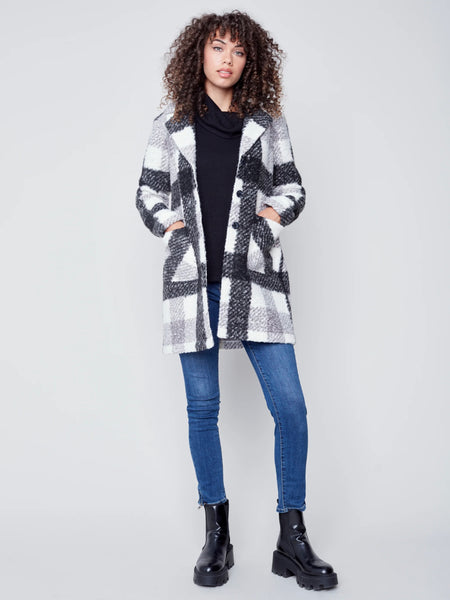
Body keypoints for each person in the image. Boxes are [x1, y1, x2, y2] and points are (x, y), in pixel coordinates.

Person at [135, 10, 338, 591]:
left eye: (239, 51)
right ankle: (216, 535)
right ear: (198, 54)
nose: (227, 59)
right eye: (217, 47)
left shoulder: (267, 123)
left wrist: (271, 215)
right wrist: (172, 227)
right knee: (203, 409)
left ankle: (291, 537)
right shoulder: (170, 122)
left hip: (255, 278)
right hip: (193, 281)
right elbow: (147, 192)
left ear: (252, 62)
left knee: (290, 408)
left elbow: (292, 186)